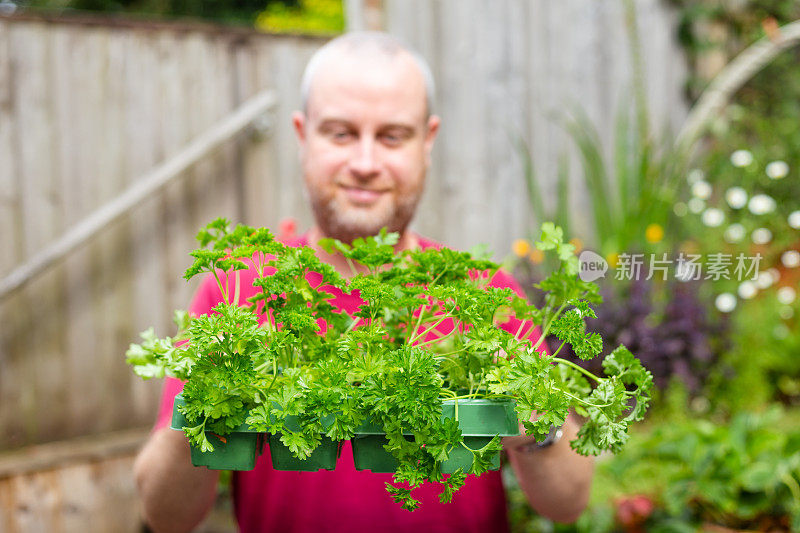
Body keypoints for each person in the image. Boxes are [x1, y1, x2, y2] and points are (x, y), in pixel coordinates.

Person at [133, 31, 594, 533]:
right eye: (341, 133)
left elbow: (568, 503)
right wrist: (197, 414)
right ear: (302, 134)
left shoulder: (484, 293)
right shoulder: (240, 292)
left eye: (393, 136)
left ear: (428, 141)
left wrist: (535, 425)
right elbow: (165, 516)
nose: (366, 164)